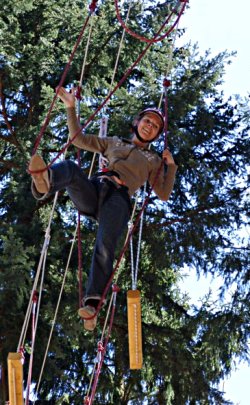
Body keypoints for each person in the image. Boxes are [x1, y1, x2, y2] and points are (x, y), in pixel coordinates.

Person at [29, 87, 178, 331]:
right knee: (70, 168)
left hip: (118, 200)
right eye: (147, 121)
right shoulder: (113, 142)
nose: (150, 126)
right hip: (97, 189)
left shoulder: (152, 161)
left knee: (105, 245)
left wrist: (170, 166)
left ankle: (92, 304)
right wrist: (70, 107)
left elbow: (163, 193)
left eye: (155, 126)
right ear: (137, 122)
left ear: (157, 134)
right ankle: (46, 181)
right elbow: (78, 139)